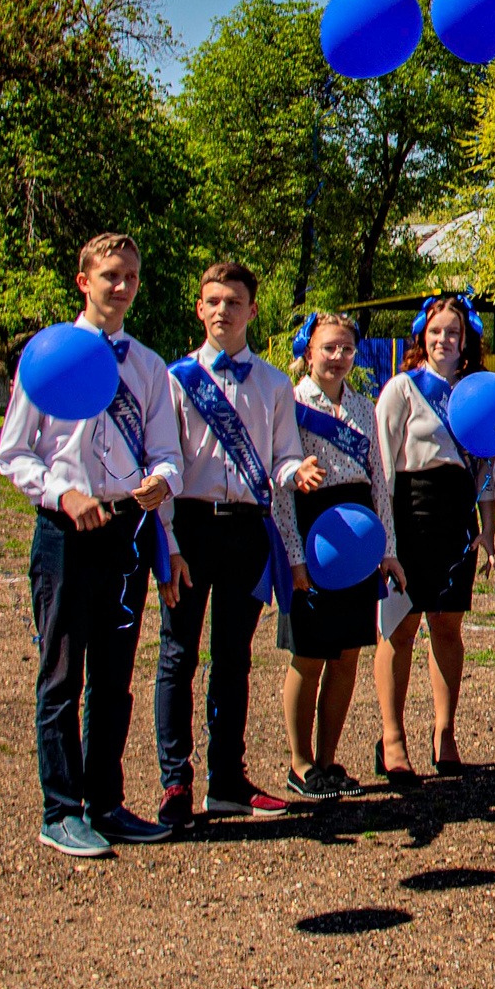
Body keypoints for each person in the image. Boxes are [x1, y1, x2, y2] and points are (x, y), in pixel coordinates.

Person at [0, 233, 182, 857]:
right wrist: (60, 494)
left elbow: (166, 452)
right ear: (84, 281)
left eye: (130, 275)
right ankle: (60, 809)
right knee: (62, 677)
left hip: (126, 531)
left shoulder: (148, 366)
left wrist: (162, 481)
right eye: (110, 276)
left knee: (114, 678)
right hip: (66, 533)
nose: (121, 287)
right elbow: (13, 452)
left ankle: (106, 802)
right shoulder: (47, 357)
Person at [156, 259, 304, 827]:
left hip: (246, 530)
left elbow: (283, 455)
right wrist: (165, 542)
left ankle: (227, 780)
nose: (223, 311)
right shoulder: (174, 378)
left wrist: (297, 472)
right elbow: (163, 463)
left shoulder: (273, 383)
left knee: (233, 660)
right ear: (200, 308)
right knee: (177, 655)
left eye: (234, 302)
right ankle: (175, 782)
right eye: (213, 301)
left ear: (252, 310)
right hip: (189, 527)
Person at [281, 312, 407, 800]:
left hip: (359, 538)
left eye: (346, 349)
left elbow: (380, 481)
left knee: (347, 657)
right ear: (308, 352)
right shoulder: (291, 405)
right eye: (329, 348)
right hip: (314, 533)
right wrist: (294, 556)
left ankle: (330, 761)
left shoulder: (363, 406)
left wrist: (388, 550)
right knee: (309, 655)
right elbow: (282, 490)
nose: (338, 358)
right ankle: (300, 763)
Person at [373, 295, 495, 778]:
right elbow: (382, 466)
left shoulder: (477, 392)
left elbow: (485, 466)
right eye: (435, 333)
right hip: (409, 512)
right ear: (420, 338)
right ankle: (393, 736)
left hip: (457, 517)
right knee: (401, 628)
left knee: (448, 628)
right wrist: (385, 540)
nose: (444, 340)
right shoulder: (402, 389)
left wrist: (487, 526)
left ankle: (445, 732)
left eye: (453, 332)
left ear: (466, 339)